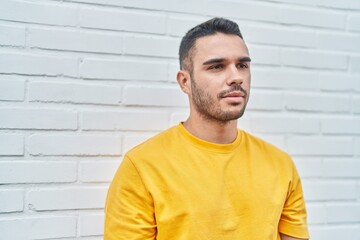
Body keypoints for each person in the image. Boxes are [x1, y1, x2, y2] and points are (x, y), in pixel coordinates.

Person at [104, 17, 309, 240]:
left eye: (242, 65)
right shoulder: (142, 168)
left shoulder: (280, 165)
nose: (236, 77)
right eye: (216, 67)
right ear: (185, 82)